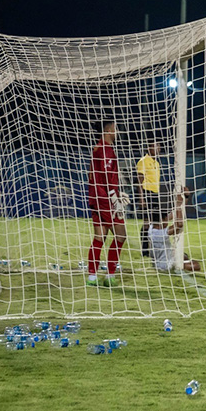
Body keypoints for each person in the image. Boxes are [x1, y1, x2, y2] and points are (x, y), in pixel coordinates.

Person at [87, 120, 128, 287]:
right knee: (121, 235)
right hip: (105, 199)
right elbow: (104, 176)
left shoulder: (97, 148)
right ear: (110, 129)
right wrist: (114, 199)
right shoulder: (106, 150)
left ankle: (92, 277)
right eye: (116, 129)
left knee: (100, 237)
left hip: (96, 198)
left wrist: (117, 194)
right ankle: (110, 275)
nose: (117, 132)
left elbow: (92, 174)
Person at [148, 189, 201, 272]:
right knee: (196, 265)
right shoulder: (160, 234)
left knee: (184, 255)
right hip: (166, 265)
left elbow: (174, 214)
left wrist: (185, 198)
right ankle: (178, 266)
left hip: (161, 260)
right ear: (162, 220)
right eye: (166, 219)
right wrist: (178, 204)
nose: (167, 221)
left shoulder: (151, 228)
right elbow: (179, 225)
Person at [136, 139, 162, 262]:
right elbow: (139, 181)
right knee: (147, 223)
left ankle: (154, 249)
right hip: (146, 193)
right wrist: (141, 198)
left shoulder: (156, 163)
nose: (158, 149)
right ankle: (144, 250)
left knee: (156, 223)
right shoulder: (143, 161)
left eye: (159, 146)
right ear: (149, 147)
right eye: (156, 146)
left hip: (155, 194)